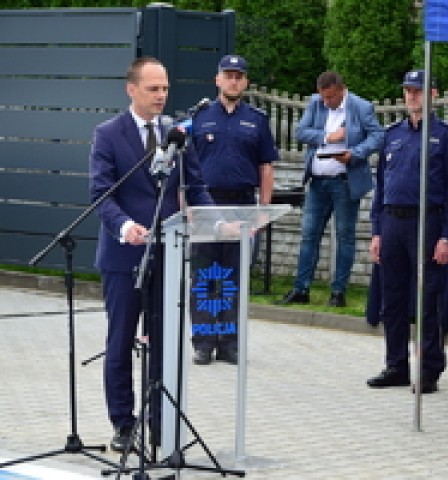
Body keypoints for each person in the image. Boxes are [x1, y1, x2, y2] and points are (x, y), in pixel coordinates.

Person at [89, 57, 214, 452]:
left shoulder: (176, 133)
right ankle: (124, 425)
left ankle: (162, 422)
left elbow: (195, 187)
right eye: (153, 89)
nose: (161, 96)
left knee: (165, 343)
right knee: (121, 341)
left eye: (164, 88)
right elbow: (102, 193)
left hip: (169, 254)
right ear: (132, 89)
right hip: (125, 257)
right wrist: (125, 227)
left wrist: (215, 220)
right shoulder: (108, 134)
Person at [366, 69, 448, 394]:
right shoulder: (392, 134)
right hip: (393, 221)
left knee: (427, 299)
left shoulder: (446, 136)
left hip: (427, 222)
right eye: (408, 90)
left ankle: (429, 369)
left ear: (433, 94)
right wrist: (377, 230)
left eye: (418, 90)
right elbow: (381, 185)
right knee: (391, 298)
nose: (412, 96)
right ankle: (396, 364)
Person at [189, 54, 278, 366]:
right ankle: (203, 342)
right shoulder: (198, 118)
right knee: (204, 278)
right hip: (206, 205)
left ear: (246, 82)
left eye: (239, 76)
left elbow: (266, 167)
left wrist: (264, 210)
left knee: (233, 278)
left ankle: (230, 343)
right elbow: (184, 168)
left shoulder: (257, 120)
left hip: (242, 205)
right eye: (228, 75)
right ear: (217, 80)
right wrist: (186, 208)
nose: (234, 80)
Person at [277, 71, 384, 307]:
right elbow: (300, 132)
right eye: (323, 97)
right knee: (308, 234)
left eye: (331, 98)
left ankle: (338, 292)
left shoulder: (360, 107)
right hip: (317, 181)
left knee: (345, 236)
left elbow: (377, 136)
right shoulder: (316, 104)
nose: (327, 102)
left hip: (345, 180)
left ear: (341, 89)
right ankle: (301, 288)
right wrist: (328, 137)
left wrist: (354, 154)